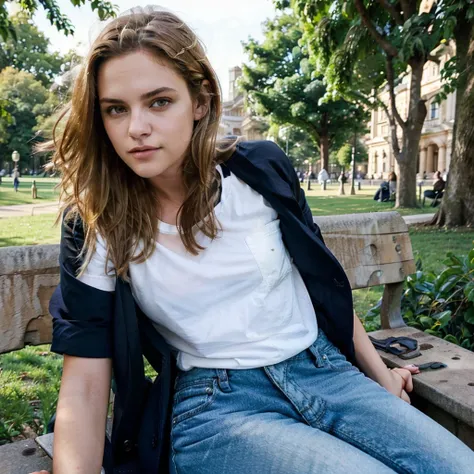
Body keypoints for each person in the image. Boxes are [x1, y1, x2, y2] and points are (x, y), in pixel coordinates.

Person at [32, 7, 474, 474]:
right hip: (218, 406)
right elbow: (84, 376)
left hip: (326, 371)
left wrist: (382, 378)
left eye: (159, 101)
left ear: (200, 101)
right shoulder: (99, 220)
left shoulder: (258, 171)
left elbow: (319, 281)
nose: (136, 127)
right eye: (115, 109)